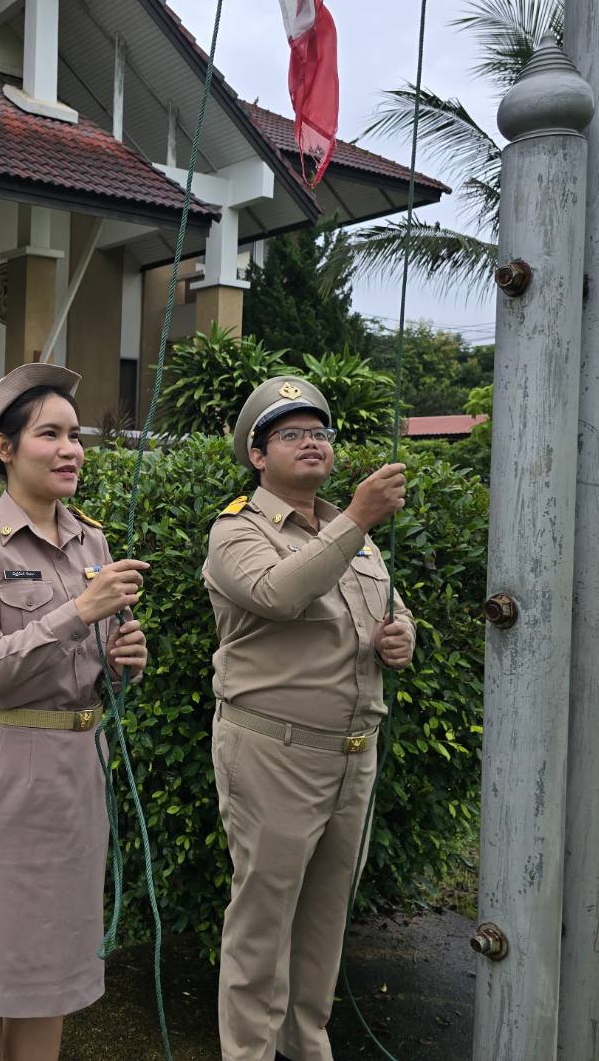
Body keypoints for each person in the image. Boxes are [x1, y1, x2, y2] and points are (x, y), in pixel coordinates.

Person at [203, 376, 416, 1061]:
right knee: (261, 923)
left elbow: (385, 608)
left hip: (352, 753)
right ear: (257, 455)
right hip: (273, 751)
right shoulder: (238, 528)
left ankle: (305, 1044)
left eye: (319, 431)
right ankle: (249, 1053)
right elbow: (277, 593)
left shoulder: (348, 532)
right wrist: (355, 518)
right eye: (291, 433)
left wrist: (402, 636)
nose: (311, 442)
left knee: (324, 920)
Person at [0, 364, 148, 1061]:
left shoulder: (91, 539)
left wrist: (123, 661)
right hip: (7, 772)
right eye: (49, 434)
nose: (71, 449)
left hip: (77, 771)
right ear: (5, 448)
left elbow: (95, 662)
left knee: (55, 967)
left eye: (75, 434)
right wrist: (77, 612)